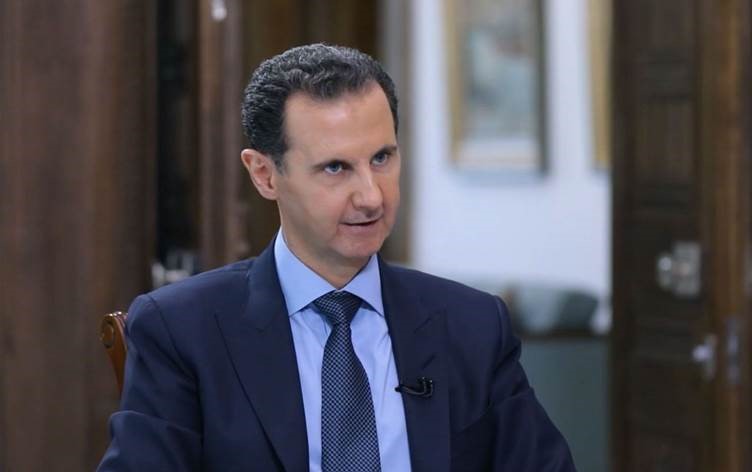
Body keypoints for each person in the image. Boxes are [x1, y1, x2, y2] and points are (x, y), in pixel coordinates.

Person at [98, 43, 575, 471]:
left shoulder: (473, 325)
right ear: (264, 174)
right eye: (335, 168)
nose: (371, 197)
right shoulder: (182, 330)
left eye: (382, 159)